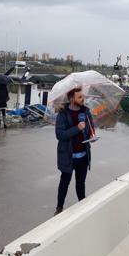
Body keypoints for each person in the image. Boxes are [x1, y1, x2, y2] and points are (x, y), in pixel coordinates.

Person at [54, 87, 95, 215]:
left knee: (81, 183)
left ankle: (82, 205)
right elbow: (60, 135)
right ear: (71, 98)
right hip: (68, 155)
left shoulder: (86, 112)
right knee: (64, 182)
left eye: (83, 97)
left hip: (83, 155)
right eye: (79, 97)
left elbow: (90, 129)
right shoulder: (62, 114)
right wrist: (77, 128)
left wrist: (92, 136)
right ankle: (59, 207)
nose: (83, 99)